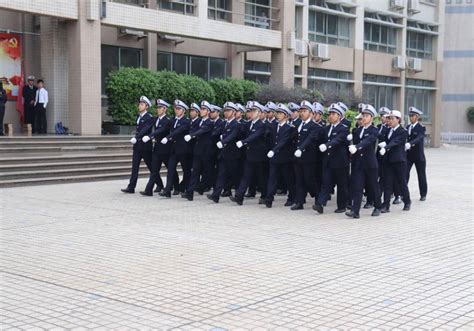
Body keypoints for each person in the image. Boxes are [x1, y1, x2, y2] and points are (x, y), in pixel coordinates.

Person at [346, 104, 382, 218]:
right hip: (358, 163)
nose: (364, 118)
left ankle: (377, 206)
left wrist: (357, 147)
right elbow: (354, 144)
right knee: (358, 187)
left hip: (370, 163)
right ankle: (355, 211)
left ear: (372, 118)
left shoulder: (374, 130)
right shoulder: (357, 130)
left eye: (367, 116)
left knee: (373, 186)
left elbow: (368, 140)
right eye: (363, 115)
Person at [313, 103, 350, 214]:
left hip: (340, 161)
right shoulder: (326, 128)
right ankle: (320, 204)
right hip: (328, 161)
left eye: (333, 114)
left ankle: (342, 206)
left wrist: (327, 145)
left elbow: (338, 140)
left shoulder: (343, 129)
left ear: (339, 116)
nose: (330, 116)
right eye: (329, 114)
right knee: (326, 183)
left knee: (341, 184)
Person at [230, 101, 268, 205]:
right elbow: (240, 132)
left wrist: (243, 142)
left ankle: (265, 196)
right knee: (246, 176)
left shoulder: (262, 125)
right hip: (249, 155)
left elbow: (255, 136)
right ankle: (239, 197)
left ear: (259, 113)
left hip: (259, 156)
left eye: (254, 111)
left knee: (261, 178)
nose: (251, 113)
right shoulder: (248, 124)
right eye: (250, 111)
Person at [207, 102, 242, 203]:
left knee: (235, 176)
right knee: (221, 175)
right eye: (225, 111)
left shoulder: (236, 124)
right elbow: (218, 132)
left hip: (233, 154)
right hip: (224, 154)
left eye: (228, 111)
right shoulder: (224, 123)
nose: (226, 113)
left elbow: (233, 135)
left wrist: (223, 141)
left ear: (234, 112)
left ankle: (239, 195)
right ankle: (216, 195)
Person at [292, 101, 323, 210]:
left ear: (311, 113)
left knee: (310, 180)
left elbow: (310, 138)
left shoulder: (315, 126)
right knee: (299, 180)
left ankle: (318, 198)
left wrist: (301, 148)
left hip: (309, 158)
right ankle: (299, 202)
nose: (302, 113)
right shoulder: (297, 124)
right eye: (301, 111)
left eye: (305, 111)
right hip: (297, 158)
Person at [264, 103, 296, 208]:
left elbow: (284, 140)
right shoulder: (273, 126)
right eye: (277, 113)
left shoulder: (290, 128)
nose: (278, 115)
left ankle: (291, 197)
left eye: (280, 113)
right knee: (272, 178)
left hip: (285, 158)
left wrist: (274, 150)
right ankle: (269, 199)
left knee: (288, 179)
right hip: (274, 158)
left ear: (286, 116)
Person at [378, 110, 411, 212]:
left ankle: (407, 201)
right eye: (389, 118)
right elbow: (382, 137)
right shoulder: (388, 130)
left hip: (399, 161)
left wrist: (386, 147)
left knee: (401, 182)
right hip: (388, 161)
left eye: (392, 118)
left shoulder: (403, 131)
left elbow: (396, 141)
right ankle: (386, 205)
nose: (390, 120)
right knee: (387, 183)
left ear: (398, 120)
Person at [139, 99, 173, 196]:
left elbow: (161, 130)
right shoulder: (155, 119)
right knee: (154, 170)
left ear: (165, 109)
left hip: (166, 149)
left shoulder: (168, 121)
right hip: (157, 148)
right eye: (157, 108)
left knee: (170, 169)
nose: (158, 109)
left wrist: (150, 136)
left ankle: (175, 186)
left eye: (160, 108)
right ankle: (148, 190)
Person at [121, 96, 154, 194]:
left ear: (147, 106)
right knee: (134, 167)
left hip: (145, 147)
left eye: (142, 104)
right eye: (139, 104)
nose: (140, 106)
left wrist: (136, 137)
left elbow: (144, 130)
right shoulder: (138, 117)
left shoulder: (149, 118)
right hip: (137, 147)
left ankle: (159, 184)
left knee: (152, 168)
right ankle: (131, 187)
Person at [182, 101, 215, 201]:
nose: (201, 111)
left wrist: (191, 135)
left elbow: (202, 131)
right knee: (195, 172)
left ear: (208, 111)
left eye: (204, 109)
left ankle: (213, 189)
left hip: (206, 152)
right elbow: (194, 130)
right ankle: (190, 193)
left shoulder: (210, 122)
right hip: (198, 151)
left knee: (208, 172)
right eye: (201, 109)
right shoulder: (199, 122)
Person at [159, 100, 191, 198]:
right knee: (171, 169)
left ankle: (186, 188)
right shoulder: (172, 120)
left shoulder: (186, 121)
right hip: (173, 149)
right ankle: (168, 190)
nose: (176, 110)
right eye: (175, 109)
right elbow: (165, 129)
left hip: (183, 150)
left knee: (186, 170)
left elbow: (178, 131)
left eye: (179, 109)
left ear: (184, 111)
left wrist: (168, 137)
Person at [406, 106, 427, 201]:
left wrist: (410, 143)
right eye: (410, 116)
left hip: (418, 156)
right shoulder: (407, 127)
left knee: (421, 175)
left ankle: (423, 194)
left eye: (412, 116)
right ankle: (403, 193)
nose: (410, 118)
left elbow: (419, 138)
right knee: (405, 173)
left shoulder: (421, 127)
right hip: (409, 155)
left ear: (417, 117)